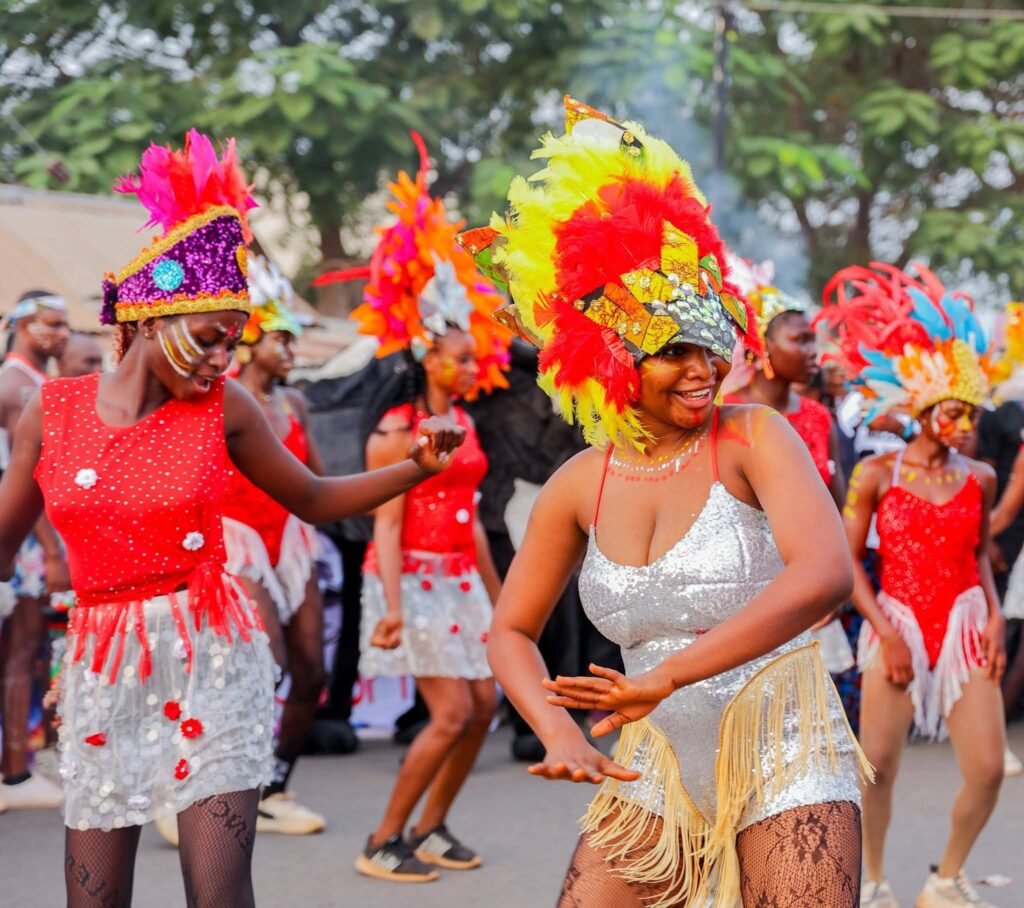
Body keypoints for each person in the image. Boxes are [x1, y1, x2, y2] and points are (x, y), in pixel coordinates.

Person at [0, 130, 464, 907]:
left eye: (234, 342)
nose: (223, 359)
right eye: (211, 339)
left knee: (217, 893)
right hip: (101, 662)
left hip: (214, 657)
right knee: (94, 897)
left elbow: (313, 497)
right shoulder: (51, 412)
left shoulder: (229, 408)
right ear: (150, 319)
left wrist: (415, 467)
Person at [480, 96, 869, 908]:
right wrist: (558, 735)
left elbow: (826, 573)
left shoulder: (754, 438)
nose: (703, 370)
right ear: (612, 360)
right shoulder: (578, 484)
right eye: (673, 353)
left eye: (711, 347)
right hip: (651, 765)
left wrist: (669, 677)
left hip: (785, 748)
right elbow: (512, 631)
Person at [314, 133, 511, 884]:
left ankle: (431, 828)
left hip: (465, 578)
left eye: (473, 355)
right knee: (452, 713)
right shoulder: (398, 434)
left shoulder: (467, 427)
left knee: (486, 701)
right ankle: (382, 839)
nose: (471, 364)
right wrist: (390, 604)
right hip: (414, 582)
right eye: (459, 356)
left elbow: (475, 515)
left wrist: (503, 601)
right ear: (425, 358)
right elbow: (385, 526)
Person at [820, 263, 1007, 908]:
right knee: (878, 765)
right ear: (924, 411)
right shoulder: (874, 474)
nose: (965, 425)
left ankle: (945, 878)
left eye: (970, 414)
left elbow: (981, 555)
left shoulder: (980, 476)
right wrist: (885, 632)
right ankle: (872, 880)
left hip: (961, 627)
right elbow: (847, 565)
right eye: (955, 413)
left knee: (986, 769)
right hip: (895, 623)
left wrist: (993, 619)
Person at [0, 290, 70, 811]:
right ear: (23, 324)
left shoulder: (36, 384)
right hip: (25, 534)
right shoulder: (17, 386)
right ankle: (16, 773)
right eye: (53, 323)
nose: (62, 334)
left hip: (33, 532)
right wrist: (50, 547)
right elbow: (24, 479)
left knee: (33, 649)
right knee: (21, 650)